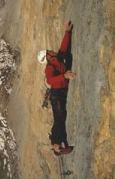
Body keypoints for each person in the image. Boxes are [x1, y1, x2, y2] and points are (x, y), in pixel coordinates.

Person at [37, 21, 75, 156]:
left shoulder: (56, 59)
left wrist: (67, 32)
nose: (50, 50)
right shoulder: (50, 67)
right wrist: (64, 76)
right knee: (59, 118)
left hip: (59, 93)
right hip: (57, 95)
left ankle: (60, 143)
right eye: (48, 52)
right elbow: (49, 80)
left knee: (60, 117)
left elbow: (63, 49)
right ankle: (57, 146)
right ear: (47, 57)